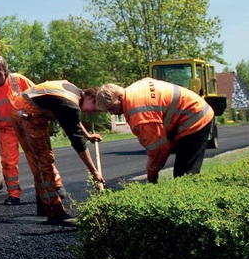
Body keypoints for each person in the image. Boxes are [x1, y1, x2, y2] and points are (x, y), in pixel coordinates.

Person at [8, 80, 105, 226]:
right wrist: (94, 172)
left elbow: (72, 120)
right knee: (43, 163)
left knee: (44, 159)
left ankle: (43, 206)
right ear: (91, 97)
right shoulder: (70, 103)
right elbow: (78, 143)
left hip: (30, 112)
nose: (92, 113)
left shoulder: (74, 92)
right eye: (95, 109)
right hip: (26, 115)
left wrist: (88, 135)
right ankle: (55, 213)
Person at [85, 78, 214, 184]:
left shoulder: (140, 113)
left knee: (185, 176)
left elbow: (159, 149)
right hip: (191, 113)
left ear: (119, 97)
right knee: (182, 171)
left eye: (112, 108)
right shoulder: (133, 89)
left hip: (195, 119)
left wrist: (151, 175)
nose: (112, 113)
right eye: (108, 111)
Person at [0, 56, 35, 205]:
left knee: (39, 158)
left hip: (26, 126)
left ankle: (53, 189)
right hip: (6, 130)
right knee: (8, 164)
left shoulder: (18, 80)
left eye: (0, 70)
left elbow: (37, 95)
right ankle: (14, 195)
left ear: (5, 70)